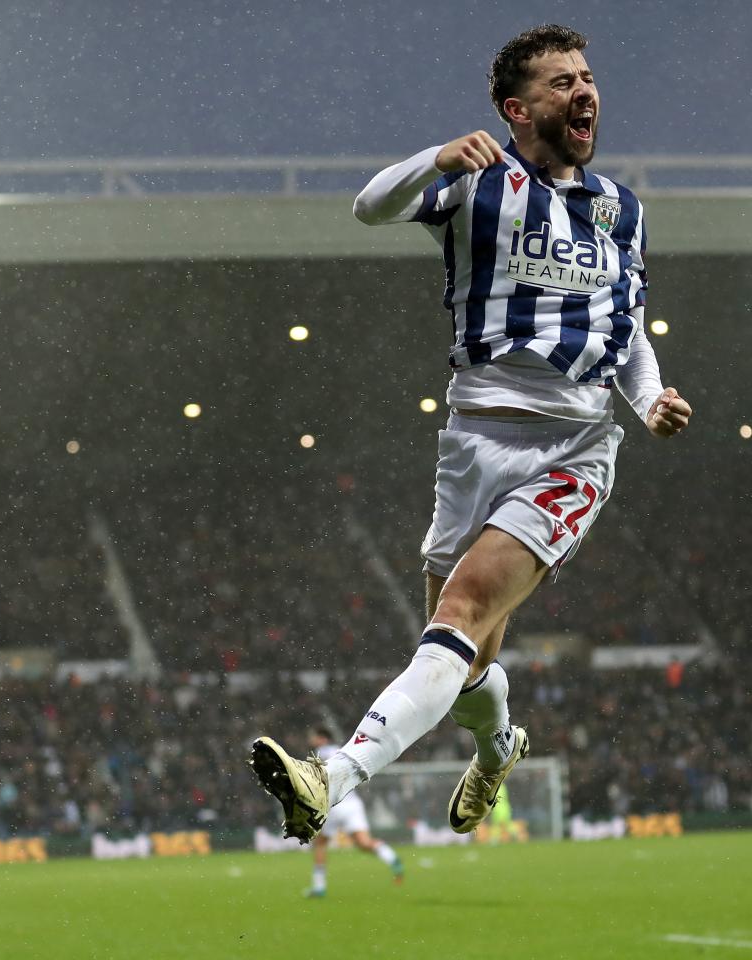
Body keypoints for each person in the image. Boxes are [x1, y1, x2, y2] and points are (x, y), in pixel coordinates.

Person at [250, 24, 692, 844]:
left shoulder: (622, 211)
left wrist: (651, 398)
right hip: (474, 440)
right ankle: (498, 745)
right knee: (462, 660)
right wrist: (438, 158)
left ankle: (331, 775)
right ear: (515, 108)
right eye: (562, 82)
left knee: (462, 610)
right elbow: (368, 206)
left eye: (587, 77)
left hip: (574, 447)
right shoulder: (479, 181)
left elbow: (625, 327)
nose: (584, 91)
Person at [303, 726, 404, 896]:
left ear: (322, 738)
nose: (311, 739)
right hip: (351, 803)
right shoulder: (343, 751)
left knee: (319, 844)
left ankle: (319, 887)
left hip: (332, 805)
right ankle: (391, 857)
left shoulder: (317, 755)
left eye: (314, 736)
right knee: (364, 843)